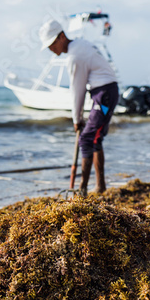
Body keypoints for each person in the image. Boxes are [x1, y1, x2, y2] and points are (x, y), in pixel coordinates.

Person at [39, 19, 119, 197]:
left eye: (52, 44)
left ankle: (82, 189)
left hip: (104, 95)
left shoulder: (75, 57)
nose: (51, 49)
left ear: (61, 37)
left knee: (86, 138)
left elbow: (78, 90)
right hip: (106, 92)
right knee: (96, 138)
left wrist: (76, 119)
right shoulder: (80, 45)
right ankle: (100, 186)